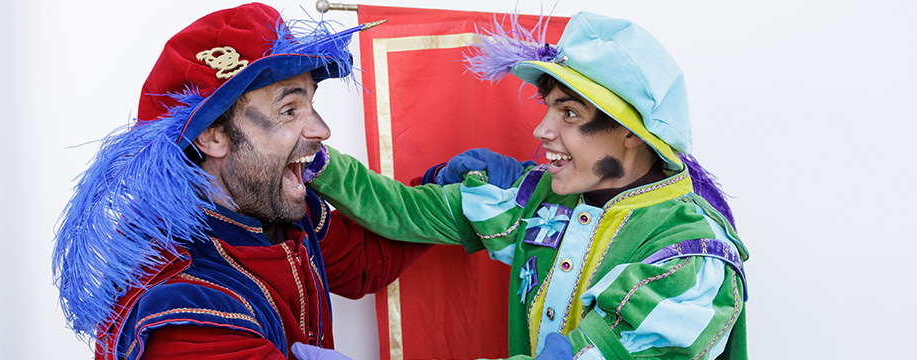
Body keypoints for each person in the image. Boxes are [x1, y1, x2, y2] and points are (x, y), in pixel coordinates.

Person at [300, 11, 749, 359]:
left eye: (569, 114)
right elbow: (403, 209)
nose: (542, 131)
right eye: (548, 109)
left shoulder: (691, 255)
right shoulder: (540, 199)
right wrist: (310, 158)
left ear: (632, 133)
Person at [52, 3, 432, 359]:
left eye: (312, 104)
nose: (322, 130)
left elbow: (362, 263)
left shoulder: (272, 201)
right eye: (289, 109)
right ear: (212, 136)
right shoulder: (182, 307)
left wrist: (447, 192)